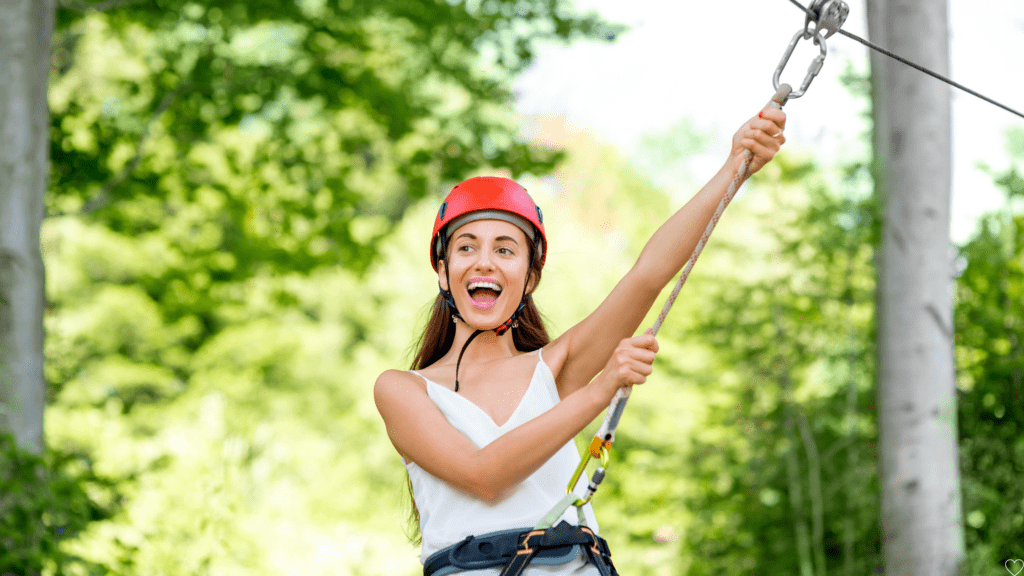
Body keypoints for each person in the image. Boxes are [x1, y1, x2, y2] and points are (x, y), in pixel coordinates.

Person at [374, 105, 787, 575]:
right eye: (466, 247)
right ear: (444, 273)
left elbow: (648, 276)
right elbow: (484, 477)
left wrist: (735, 167)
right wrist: (599, 389)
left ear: (529, 278)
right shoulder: (403, 390)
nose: (484, 262)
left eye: (505, 249)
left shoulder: (557, 367)